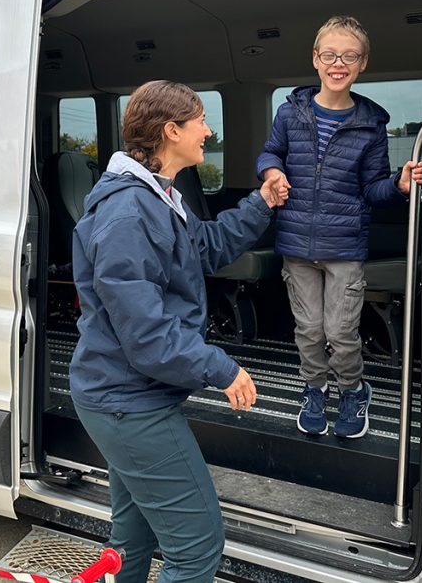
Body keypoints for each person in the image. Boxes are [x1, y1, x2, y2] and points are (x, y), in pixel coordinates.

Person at [69, 80, 287, 583]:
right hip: (128, 402)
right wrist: (221, 367)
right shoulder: (128, 212)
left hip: (125, 395)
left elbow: (202, 246)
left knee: (132, 539)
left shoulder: (157, 196)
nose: (208, 131)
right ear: (172, 131)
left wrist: (261, 203)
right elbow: (146, 334)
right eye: (201, 120)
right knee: (197, 549)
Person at [256, 15, 422, 439]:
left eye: (349, 56)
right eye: (330, 54)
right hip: (297, 244)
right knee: (309, 330)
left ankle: (352, 389)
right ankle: (314, 388)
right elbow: (269, 153)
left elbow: (372, 189)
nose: (338, 63)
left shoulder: (371, 125)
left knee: (341, 332)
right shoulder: (290, 113)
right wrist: (272, 172)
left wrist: (399, 185)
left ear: (362, 63)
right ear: (315, 59)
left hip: (346, 247)